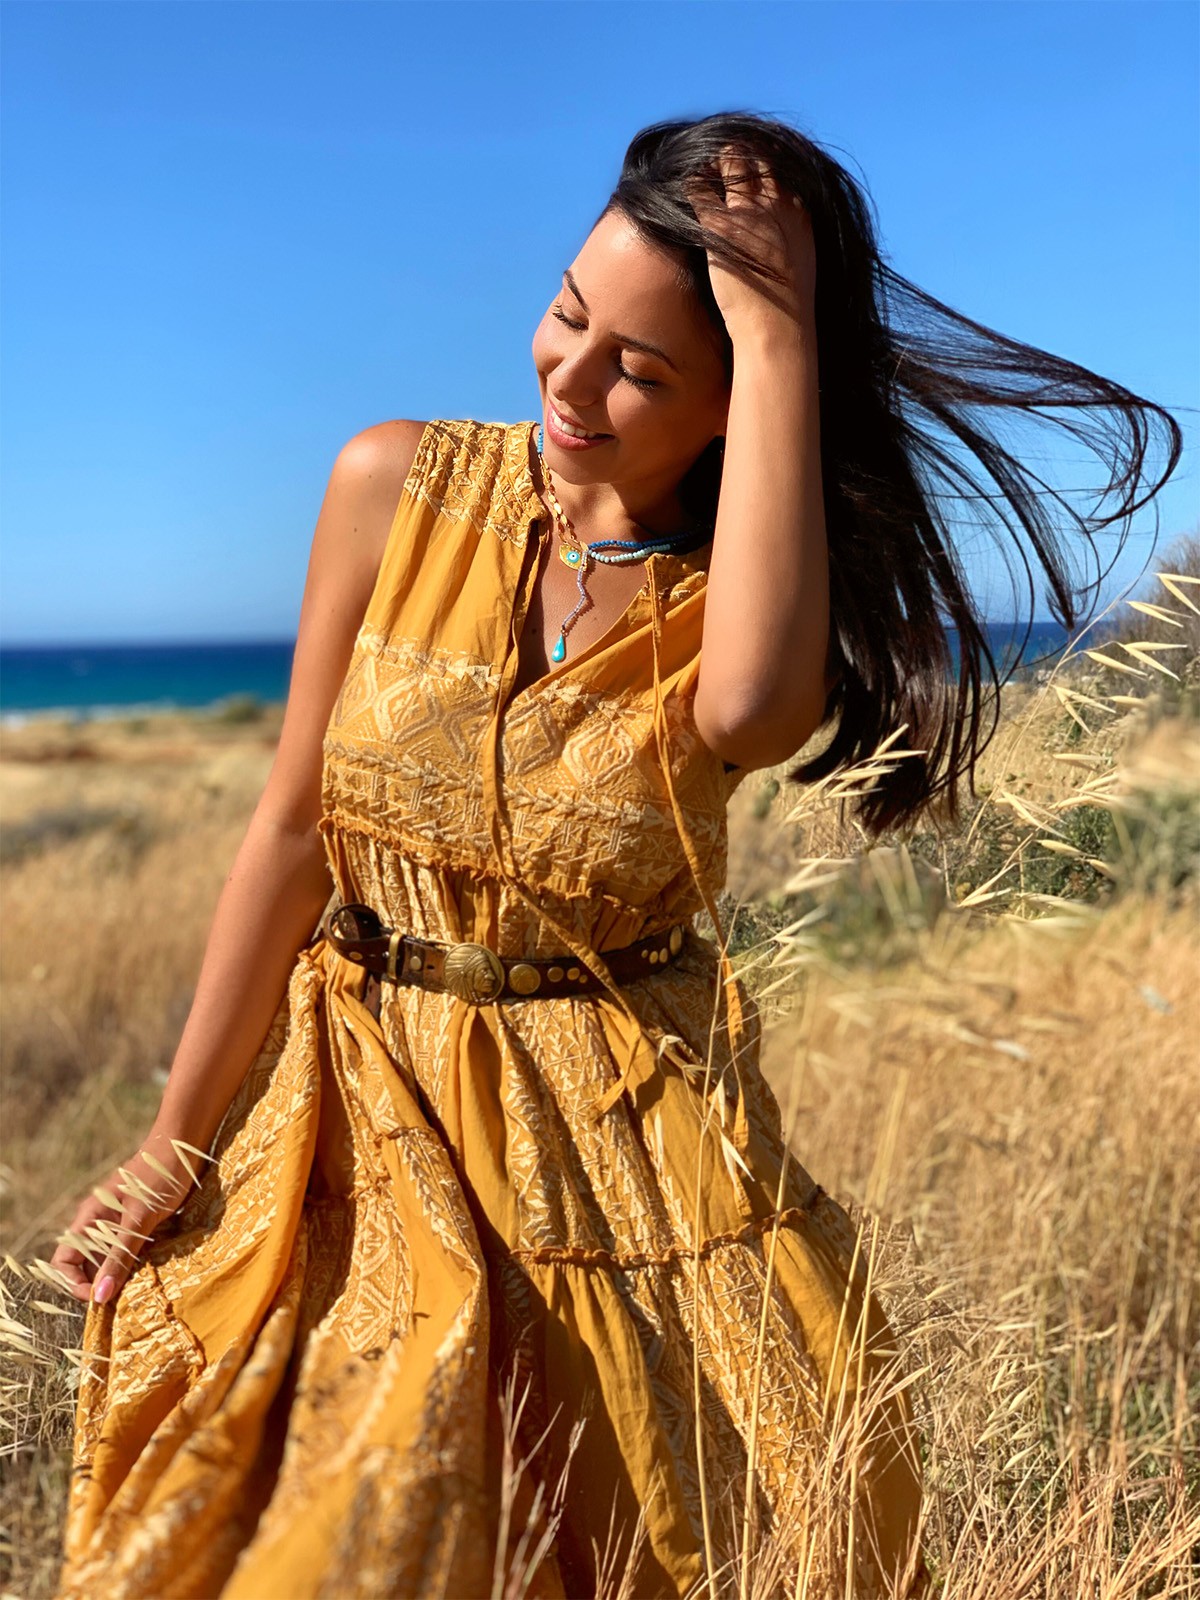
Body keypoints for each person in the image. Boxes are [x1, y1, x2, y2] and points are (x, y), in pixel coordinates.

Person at [48, 112, 1180, 1600]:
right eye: (567, 318)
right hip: (353, 1095)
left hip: (621, 1150)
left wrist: (783, 341)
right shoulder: (394, 486)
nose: (570, 386)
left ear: (735, 402)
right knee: (341, 1530)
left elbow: (757, 708)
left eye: (641, 369)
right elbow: (288, 829)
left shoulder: (741, 606)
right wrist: (172, 1144)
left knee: (630, 1547)